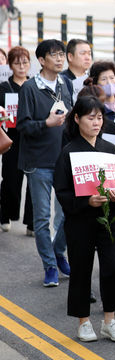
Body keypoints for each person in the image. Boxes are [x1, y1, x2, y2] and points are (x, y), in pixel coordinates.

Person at [53, 96, 115, 343]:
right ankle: (83, 321)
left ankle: (110, 320)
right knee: (81, 269)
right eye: (90, 118)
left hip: (109, 220)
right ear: (77, 119)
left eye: (99, 117)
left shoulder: (109, 149)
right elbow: (62, 192)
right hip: (80, 221)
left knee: (112, 267)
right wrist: (87, 202)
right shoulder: (69, 152)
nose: (96, 123)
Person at [17, 39, 73, 287]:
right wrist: (46, 124)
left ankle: (58, 252)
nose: (60, 59)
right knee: (41, 218)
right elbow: (23, 126)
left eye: (62, 54)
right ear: (41, 60)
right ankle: (50, 266)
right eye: (54, 55)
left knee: (67, 214)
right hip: (38, 162)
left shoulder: (66, 83)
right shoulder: (29, 88)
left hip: (64, 160)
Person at [0, 46, 33, 236]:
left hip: (33, 141)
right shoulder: (4, 87)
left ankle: (32, 223)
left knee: (35, 183)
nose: (22, 66)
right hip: (12, 141)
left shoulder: (35, 85)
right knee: (11, 181)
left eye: (25, 62)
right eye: (17, 62)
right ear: (10, 65)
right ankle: (5, 215)